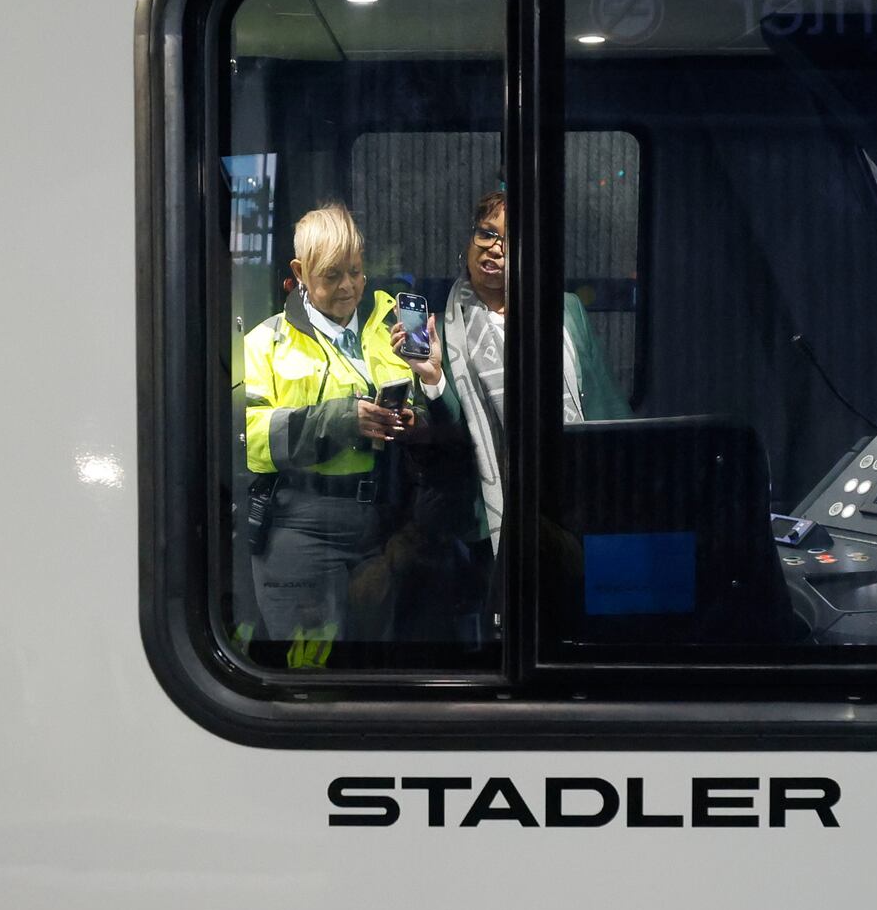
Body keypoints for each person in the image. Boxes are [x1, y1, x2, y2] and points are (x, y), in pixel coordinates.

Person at [234, 203, 415, 667]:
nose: (349, 287)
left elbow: (429, 412)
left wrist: (417, 410)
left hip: (380, 526)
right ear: (300, 271)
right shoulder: (264, 343)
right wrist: (341, 420)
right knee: (309, 672)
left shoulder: (390, 328)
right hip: (300, 526)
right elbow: (251, 438)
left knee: (376, 670)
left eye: (355, 271)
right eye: (331, 276)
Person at [409, 190, 627, 561]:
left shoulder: (564, 311)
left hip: (565, 497)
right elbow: (452, 438)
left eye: (511, 240)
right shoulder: (440, 328)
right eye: (487, 233)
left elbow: (604, 405)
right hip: (481, 512)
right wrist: (432, 378)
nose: (495, 248)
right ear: (470, 239)